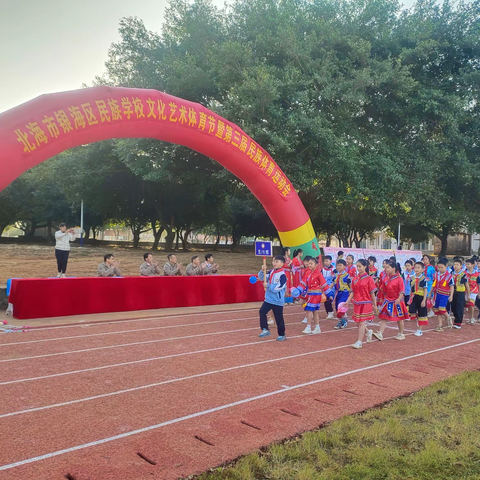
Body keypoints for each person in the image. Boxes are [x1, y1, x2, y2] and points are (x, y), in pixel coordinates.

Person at [373, 260, 409, 341]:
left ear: (394, 268)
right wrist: (384, 299)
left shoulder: (399, 279)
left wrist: (399, 299)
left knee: (400, 318)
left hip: (397, 302)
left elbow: (402, 291)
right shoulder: (386, 279)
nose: (386, 269)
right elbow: (384, 291)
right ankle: (380, 333)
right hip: (388, 301)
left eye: (388, 267)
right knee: (384, 317)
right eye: (386, 267)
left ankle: (401, 333)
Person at [345, 259, 377, 349]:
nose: (358, 268)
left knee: (362, 322)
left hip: (366, 303)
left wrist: (374, 304)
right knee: (358, 322)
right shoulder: (355, 279)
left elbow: (372, 293)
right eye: (357, 266)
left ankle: (359, 342)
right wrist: (347, 301)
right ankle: (368, 332)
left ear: (365, 266)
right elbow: (352, 292)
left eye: (360, 266)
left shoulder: (369, 279)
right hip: (357, 303)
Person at [258, 255, 287, 341]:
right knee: (262, 312)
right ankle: (265, 329)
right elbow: (261, 277)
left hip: (277, 301)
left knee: (279, 318)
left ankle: (282, 334)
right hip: (268, 299)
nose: (274, 263)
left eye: (276, 262)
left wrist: (269, 285)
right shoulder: (271, 272)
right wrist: (262, 270)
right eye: (274, 261)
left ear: (282, 264)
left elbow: (279, 287)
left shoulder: (282, 275)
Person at [301, 257, 332, 334]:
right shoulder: (308, 273)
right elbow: (303, 283)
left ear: (316, 265)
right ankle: (317, 327)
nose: (309, 265)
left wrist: (329, 294)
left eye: (311, 263)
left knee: (309, 310)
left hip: (315, 295)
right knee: (315, 311)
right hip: (310, 294)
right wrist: (299, 290)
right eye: (309, 263)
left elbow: (324, 284)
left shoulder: (318, 274)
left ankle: (308, 327)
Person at [432, 258, 454, 331]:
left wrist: (451, 295)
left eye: (442, 267)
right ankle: (440, 325)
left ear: (446, 266)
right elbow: (434, 284)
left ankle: (448, 317)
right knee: (437, 310)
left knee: (442, 308)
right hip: (437, 294)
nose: (440, 269)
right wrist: (430, 294)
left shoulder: (449, 276)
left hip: (445, 294)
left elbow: (451, 286)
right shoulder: (435, 275)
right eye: (439, 267)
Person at [407, 262, 428, 337]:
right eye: (415, 267)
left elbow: (425, 289)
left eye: (418, 268)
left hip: (421, 297)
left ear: (422, 269)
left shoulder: (424, 279)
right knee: (412, 311)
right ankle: (418, 322)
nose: (416, 269)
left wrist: (424, 300)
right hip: (414, 296)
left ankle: (420, 329)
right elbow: (411, 289)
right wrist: (410, 297)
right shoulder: (412, 277)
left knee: (422, 313)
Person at [332, 259, 351, 330]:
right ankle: (342, 320)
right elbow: (333, 283)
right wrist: (327, 289)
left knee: (341, 307)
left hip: (345, 292)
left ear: (344, 267)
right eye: (337, 266)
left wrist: (351, 292)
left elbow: (350, 285)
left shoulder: (347, 276)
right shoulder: (336, 275)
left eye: (340, 265)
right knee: (337, 308)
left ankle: (343, 321)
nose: (338, 267)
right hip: (338, 293)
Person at [451, 258, 470, 329]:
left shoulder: (463, 275)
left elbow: (466, 284)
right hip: (453, 292)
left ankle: (458, 322)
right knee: (453, 307)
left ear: (461, 266)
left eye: (457, 265)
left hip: (460, 292)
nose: (455, 266)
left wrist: (468, 294)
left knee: (459, 307)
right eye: (454, 265)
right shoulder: (451, 274)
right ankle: (457, 318)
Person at [465, 258, 480, 325]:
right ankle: (470, 317)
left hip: (473, 291)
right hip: (465, 291)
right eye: (466, 264)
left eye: (468, 264)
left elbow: (479, 283)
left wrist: (479, 292)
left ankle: (472, 318)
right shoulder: (464, 273)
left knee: (471, 304)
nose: (467, 265)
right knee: (468, 304)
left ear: (473, 265)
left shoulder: (477, 274)